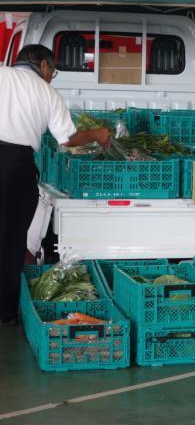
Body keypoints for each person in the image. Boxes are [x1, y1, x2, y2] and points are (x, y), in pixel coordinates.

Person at [0, 45, 110, 326]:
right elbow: (67, 138)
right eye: (53, 70)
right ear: (42, 64)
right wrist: (97, 133)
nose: (52, 76)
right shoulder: (47, 92)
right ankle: (5, 312)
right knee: (11, 240)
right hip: (15, 166)